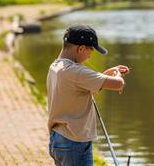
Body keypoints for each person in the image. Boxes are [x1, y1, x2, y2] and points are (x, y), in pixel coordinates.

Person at [47, 25, 130, 166]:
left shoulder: (55, 67)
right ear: (81, 48)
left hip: (58, 139)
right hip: (74, 142)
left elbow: (78, 89)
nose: (91, 55)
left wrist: (106, 74)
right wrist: (117, 75)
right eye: (91, 50)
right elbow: (118, 84)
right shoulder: (75, 72)